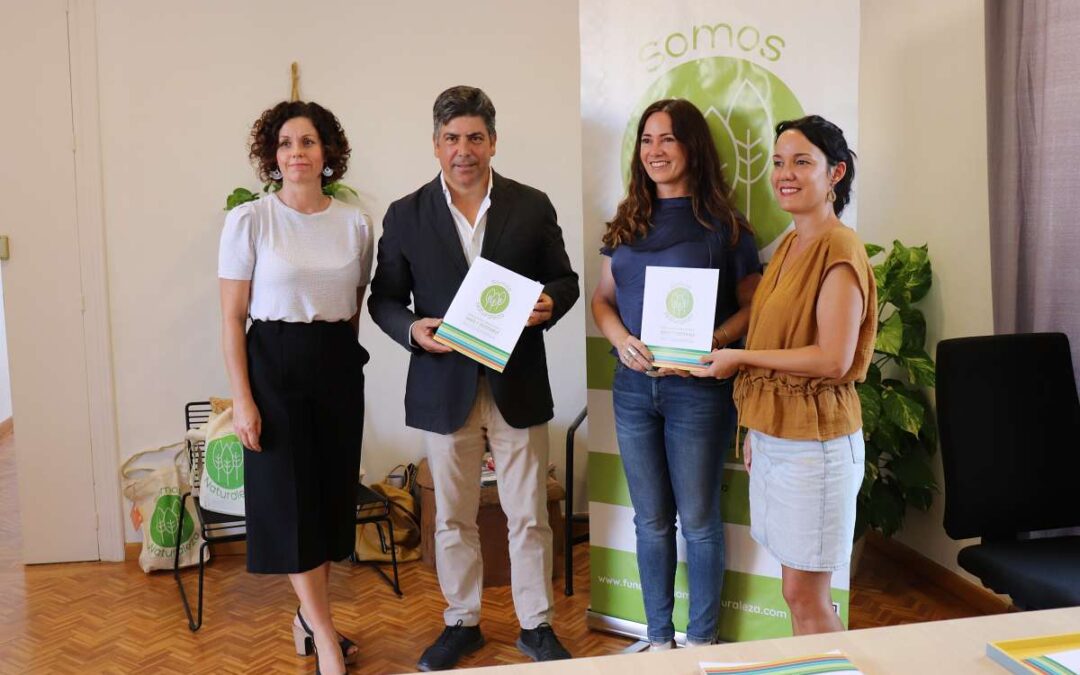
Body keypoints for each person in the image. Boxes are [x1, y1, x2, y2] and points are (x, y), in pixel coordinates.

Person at [367, 85, 579, 671]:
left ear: (493, 141)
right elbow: (382, 298)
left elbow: (565, 279)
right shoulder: (405, 215)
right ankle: (461, 622)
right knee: (453, 517)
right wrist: (413, 331)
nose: (465, 150)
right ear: (436, 144)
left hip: (517, 384)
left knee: (529, 513)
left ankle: (535, 626)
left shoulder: (531, 204)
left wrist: (549, 305)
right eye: (453, 138)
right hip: (443, 384)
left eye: (476, 138)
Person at [590, 98, 761, 649]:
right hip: (634, 388)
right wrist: (620, 341)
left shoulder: (726, 228)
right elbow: (603, 300)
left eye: (667, 139)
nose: (655, 151)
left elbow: (756, 308)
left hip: (698, 393)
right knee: (650, 521)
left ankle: (701, 642)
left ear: (693, 147)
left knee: (701, 521)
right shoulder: (624, 223)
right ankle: (659, 640)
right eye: (646, 140)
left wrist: (717, 339)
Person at [696, 115, 877, 635]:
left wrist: (740, 360)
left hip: (816, 444)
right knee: (796, 591)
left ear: (835, 173)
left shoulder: (838, 249)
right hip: (780, 435)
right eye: (778, 162)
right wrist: (757, 426)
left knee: (805, 595)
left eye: (802, 162)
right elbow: (776, 339)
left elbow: (833, 359)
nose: (784, 174)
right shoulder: (791, 247)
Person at [218, 100, 372, 675]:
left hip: (335, 365)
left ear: (327, 152)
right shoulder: (250, 220)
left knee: (327, 501)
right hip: (273, 366)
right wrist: (243, 398)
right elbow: (233, 318)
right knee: (289, 503)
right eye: (285, 144)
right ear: (271, 155)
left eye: (307, 142)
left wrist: (341, 360)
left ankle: (309, 619)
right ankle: (327, 638)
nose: (297, 153)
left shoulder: (356, 222)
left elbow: (353, 305)